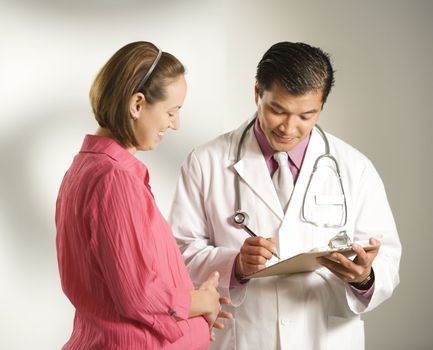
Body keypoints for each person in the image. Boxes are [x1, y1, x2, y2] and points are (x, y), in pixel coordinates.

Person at [168, 42, 401, 350]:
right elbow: (178, 257)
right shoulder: (206, 161)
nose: (289, 128)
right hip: (245, 338)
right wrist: (235, 266)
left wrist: (364, 277)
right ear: (257, 94)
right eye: (277, 110)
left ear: (321, 107)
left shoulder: (354, 168)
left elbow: (386, 257)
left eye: (307, 115)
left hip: (324, 338)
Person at [55, 41, 231, 350]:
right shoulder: (114, 180)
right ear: (137, 104)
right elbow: (138, 295)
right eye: (171, 111)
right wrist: (201, 301)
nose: (175, 124)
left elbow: (126, 283)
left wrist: (189, 309)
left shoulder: (85, 168)